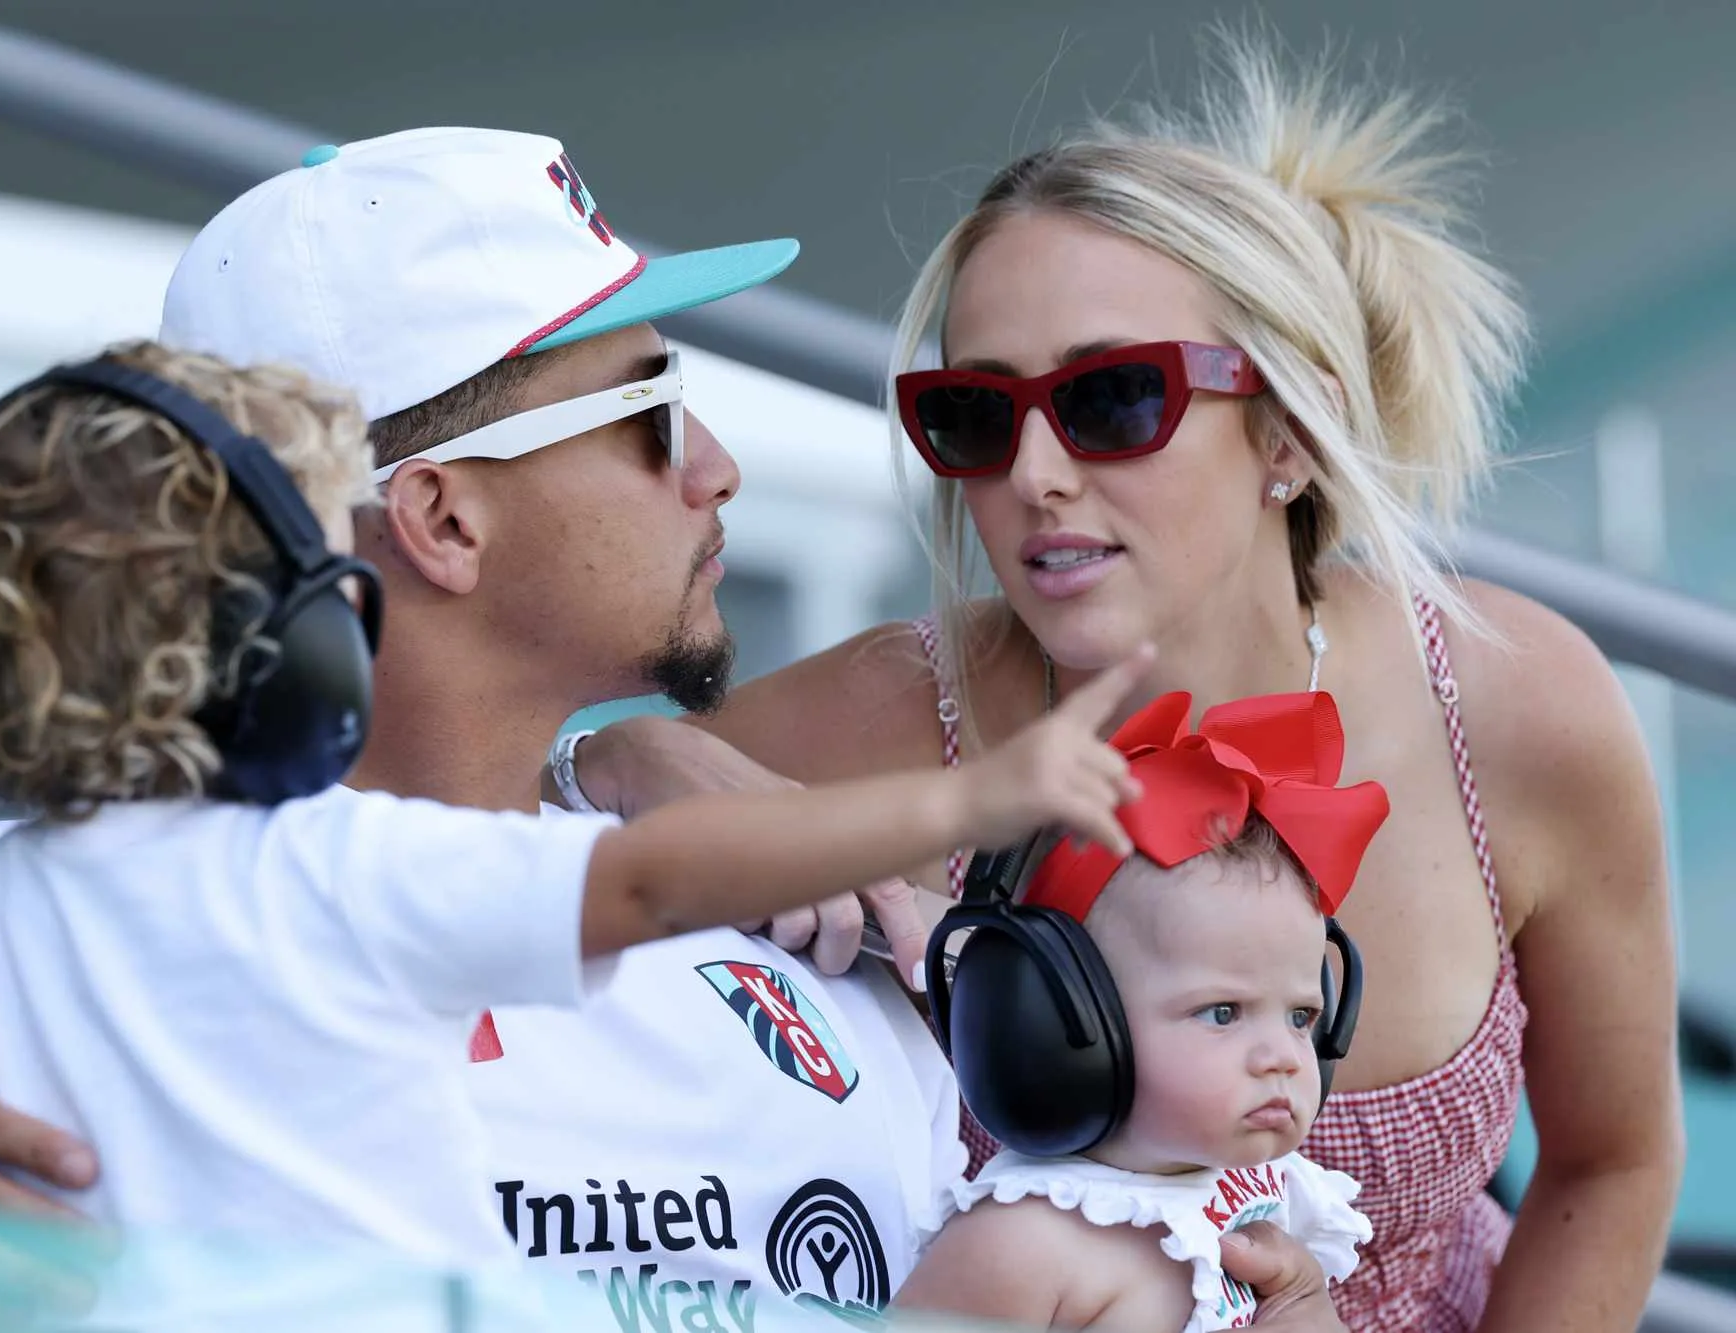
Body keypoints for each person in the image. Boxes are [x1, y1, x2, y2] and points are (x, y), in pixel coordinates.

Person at [0, 125, 1352, 1331]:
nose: (715, 460)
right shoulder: (34, 913)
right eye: (648, 411)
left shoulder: (811, 928)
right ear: (436, 520)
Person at [558, 30, 1683, 1333]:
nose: (1032, 472)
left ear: (1290, 433)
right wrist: (622, 756)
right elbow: (418, 854)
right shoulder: (861, 723)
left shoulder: (1507, 703)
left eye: (1108, 400)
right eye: (974, 415)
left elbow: (1612, 1166)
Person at [893, 690, 1384, 1333]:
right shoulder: (1024, 1247)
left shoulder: (1261, 1196)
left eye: (1300, 1016)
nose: (1285, 1059)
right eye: (1223, 1013)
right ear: (1060, 1023)